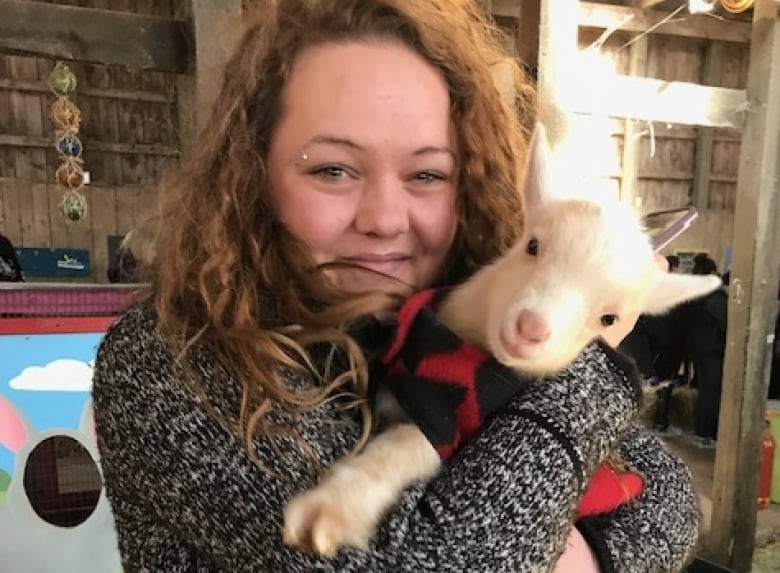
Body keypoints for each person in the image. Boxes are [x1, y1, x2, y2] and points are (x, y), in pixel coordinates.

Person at [91, 1, 700, 571]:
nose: (384, 218)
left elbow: (670, 495)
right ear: (253, 177)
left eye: (427, 173)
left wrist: (582, 552)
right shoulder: (169, 359)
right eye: (333, 169)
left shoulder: (446, 317)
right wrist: (584, 343)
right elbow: (439, 561)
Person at [687, 255, 727, 448]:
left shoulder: (693, 296)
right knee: (711, 392)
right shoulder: (715, 297)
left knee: (703, 391)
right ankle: (705, 435)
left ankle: (699, 432)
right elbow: (724, 324)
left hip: (696, 349)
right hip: (712, 350)